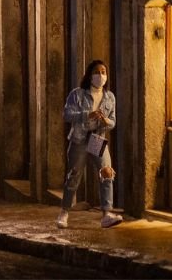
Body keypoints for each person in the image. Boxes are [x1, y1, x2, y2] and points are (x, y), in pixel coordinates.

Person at [57, 60, 123, 229]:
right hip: (79, 139)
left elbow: (113, 122)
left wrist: (104, 120)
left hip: (97, 139)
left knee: (107, 172)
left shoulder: (110, 97)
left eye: (103, 72)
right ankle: (64, 212)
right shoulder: (77, 94)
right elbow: (67, 114)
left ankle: (107, 213)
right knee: (74, 176)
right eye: (97, 72)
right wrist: (88, 114)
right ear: (89, 75)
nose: (100, 76)